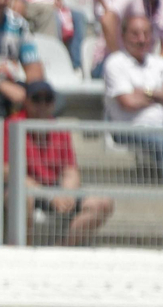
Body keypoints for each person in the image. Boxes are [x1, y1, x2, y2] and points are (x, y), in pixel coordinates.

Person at [104, 14, 163, 213]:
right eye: (135, 34)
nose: (142, 39)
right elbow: (127, 102)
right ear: (123, 35)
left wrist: (145, 92)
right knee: (159, 143)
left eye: (146, 33)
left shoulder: (158, 62)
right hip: (128, 127)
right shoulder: (115, 63)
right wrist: (161, 94)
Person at [9, 80, 115, 243]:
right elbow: (8, 172)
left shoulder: (59, 129)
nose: (42, 104)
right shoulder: (12, 125)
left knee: (103, 203)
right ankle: (24, 255)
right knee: (24, 199)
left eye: (48, 99)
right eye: (37, 99)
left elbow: (70, 170)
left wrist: (68, 194)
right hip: (24, 189)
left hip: (54, 187)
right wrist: (50, 195)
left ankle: (63, 250)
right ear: (26, 102)